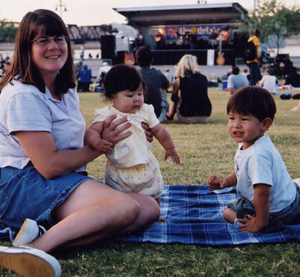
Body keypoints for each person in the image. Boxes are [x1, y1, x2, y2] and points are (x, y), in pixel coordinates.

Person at [0, 9, 160, 276]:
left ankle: (40, 233)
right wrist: (97, 148)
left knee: (147, 209)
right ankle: (35, 249)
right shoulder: (22, 95)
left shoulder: (64, 86)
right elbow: (48, 166)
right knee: (124, 207)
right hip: (18, 182)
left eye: (59, 38)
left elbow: (79, 134)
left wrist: (110, 133)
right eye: (42, 41)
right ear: (26, 48)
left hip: (57, 179)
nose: (53, 47)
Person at [86, 64, 180, 220]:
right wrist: (97, 142)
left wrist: (169, 147)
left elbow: (159, 130)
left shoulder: (146, 111)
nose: (137, 99)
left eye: (140, 93)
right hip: (119, 168)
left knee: (154, 189)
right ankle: (121, 213)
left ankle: (155, 212)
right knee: (118, 194)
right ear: (112, 98)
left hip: (145, 163)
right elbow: (92, 131)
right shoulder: (107, 114)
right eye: (130, 95)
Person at [208, 87, 300, 233]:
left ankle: (261, 222)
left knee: (227, 212)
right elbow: (242, 171)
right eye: (232, 118)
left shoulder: (258, 154)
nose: (236, 125)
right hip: (286, 200)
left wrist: (260, 224)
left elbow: (262, 193)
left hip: (278, 210)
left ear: (265, 124)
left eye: (244, 119)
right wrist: (225, 182)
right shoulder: (250, 143)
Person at [166, 54, 212, 124]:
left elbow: (173, 98)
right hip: (205, 116)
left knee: (178, 96)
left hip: (186, 116)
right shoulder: (204, 78)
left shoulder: (179, 81)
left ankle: (171, 114)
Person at [135, 46, 171, 120]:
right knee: (162, 89)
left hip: (137, 112)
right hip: (156, 114)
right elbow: (167, 85)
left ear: (137, 61)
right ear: (152, 60)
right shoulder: (157, 74)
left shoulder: (133, 74)